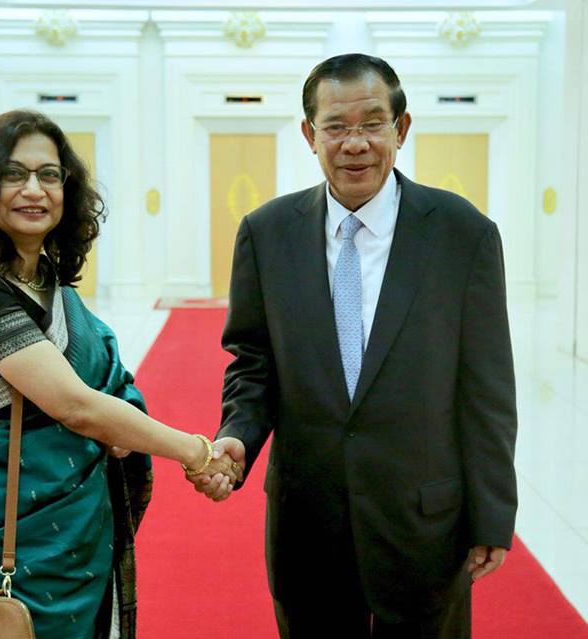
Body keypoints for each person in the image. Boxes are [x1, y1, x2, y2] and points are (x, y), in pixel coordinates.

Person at [190, 54, 518, 638]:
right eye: (336, 127)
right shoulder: (267, 233)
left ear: (401, 128)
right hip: (307, 520)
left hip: (424, 521)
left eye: (372, 124)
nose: (355, 144)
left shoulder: (462, 234)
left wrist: (492, 513)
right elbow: (254, 363)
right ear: (309, 135)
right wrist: (237, 433)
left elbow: (487, 387)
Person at [0, 109, 240, 639]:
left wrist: (123, 428)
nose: (34, 190)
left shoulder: (48, 282)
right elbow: (76, 405)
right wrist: (197, 452)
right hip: (1, 530)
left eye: (49, 175)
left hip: (74, 528)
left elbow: (106, 385)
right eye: (13, 173)